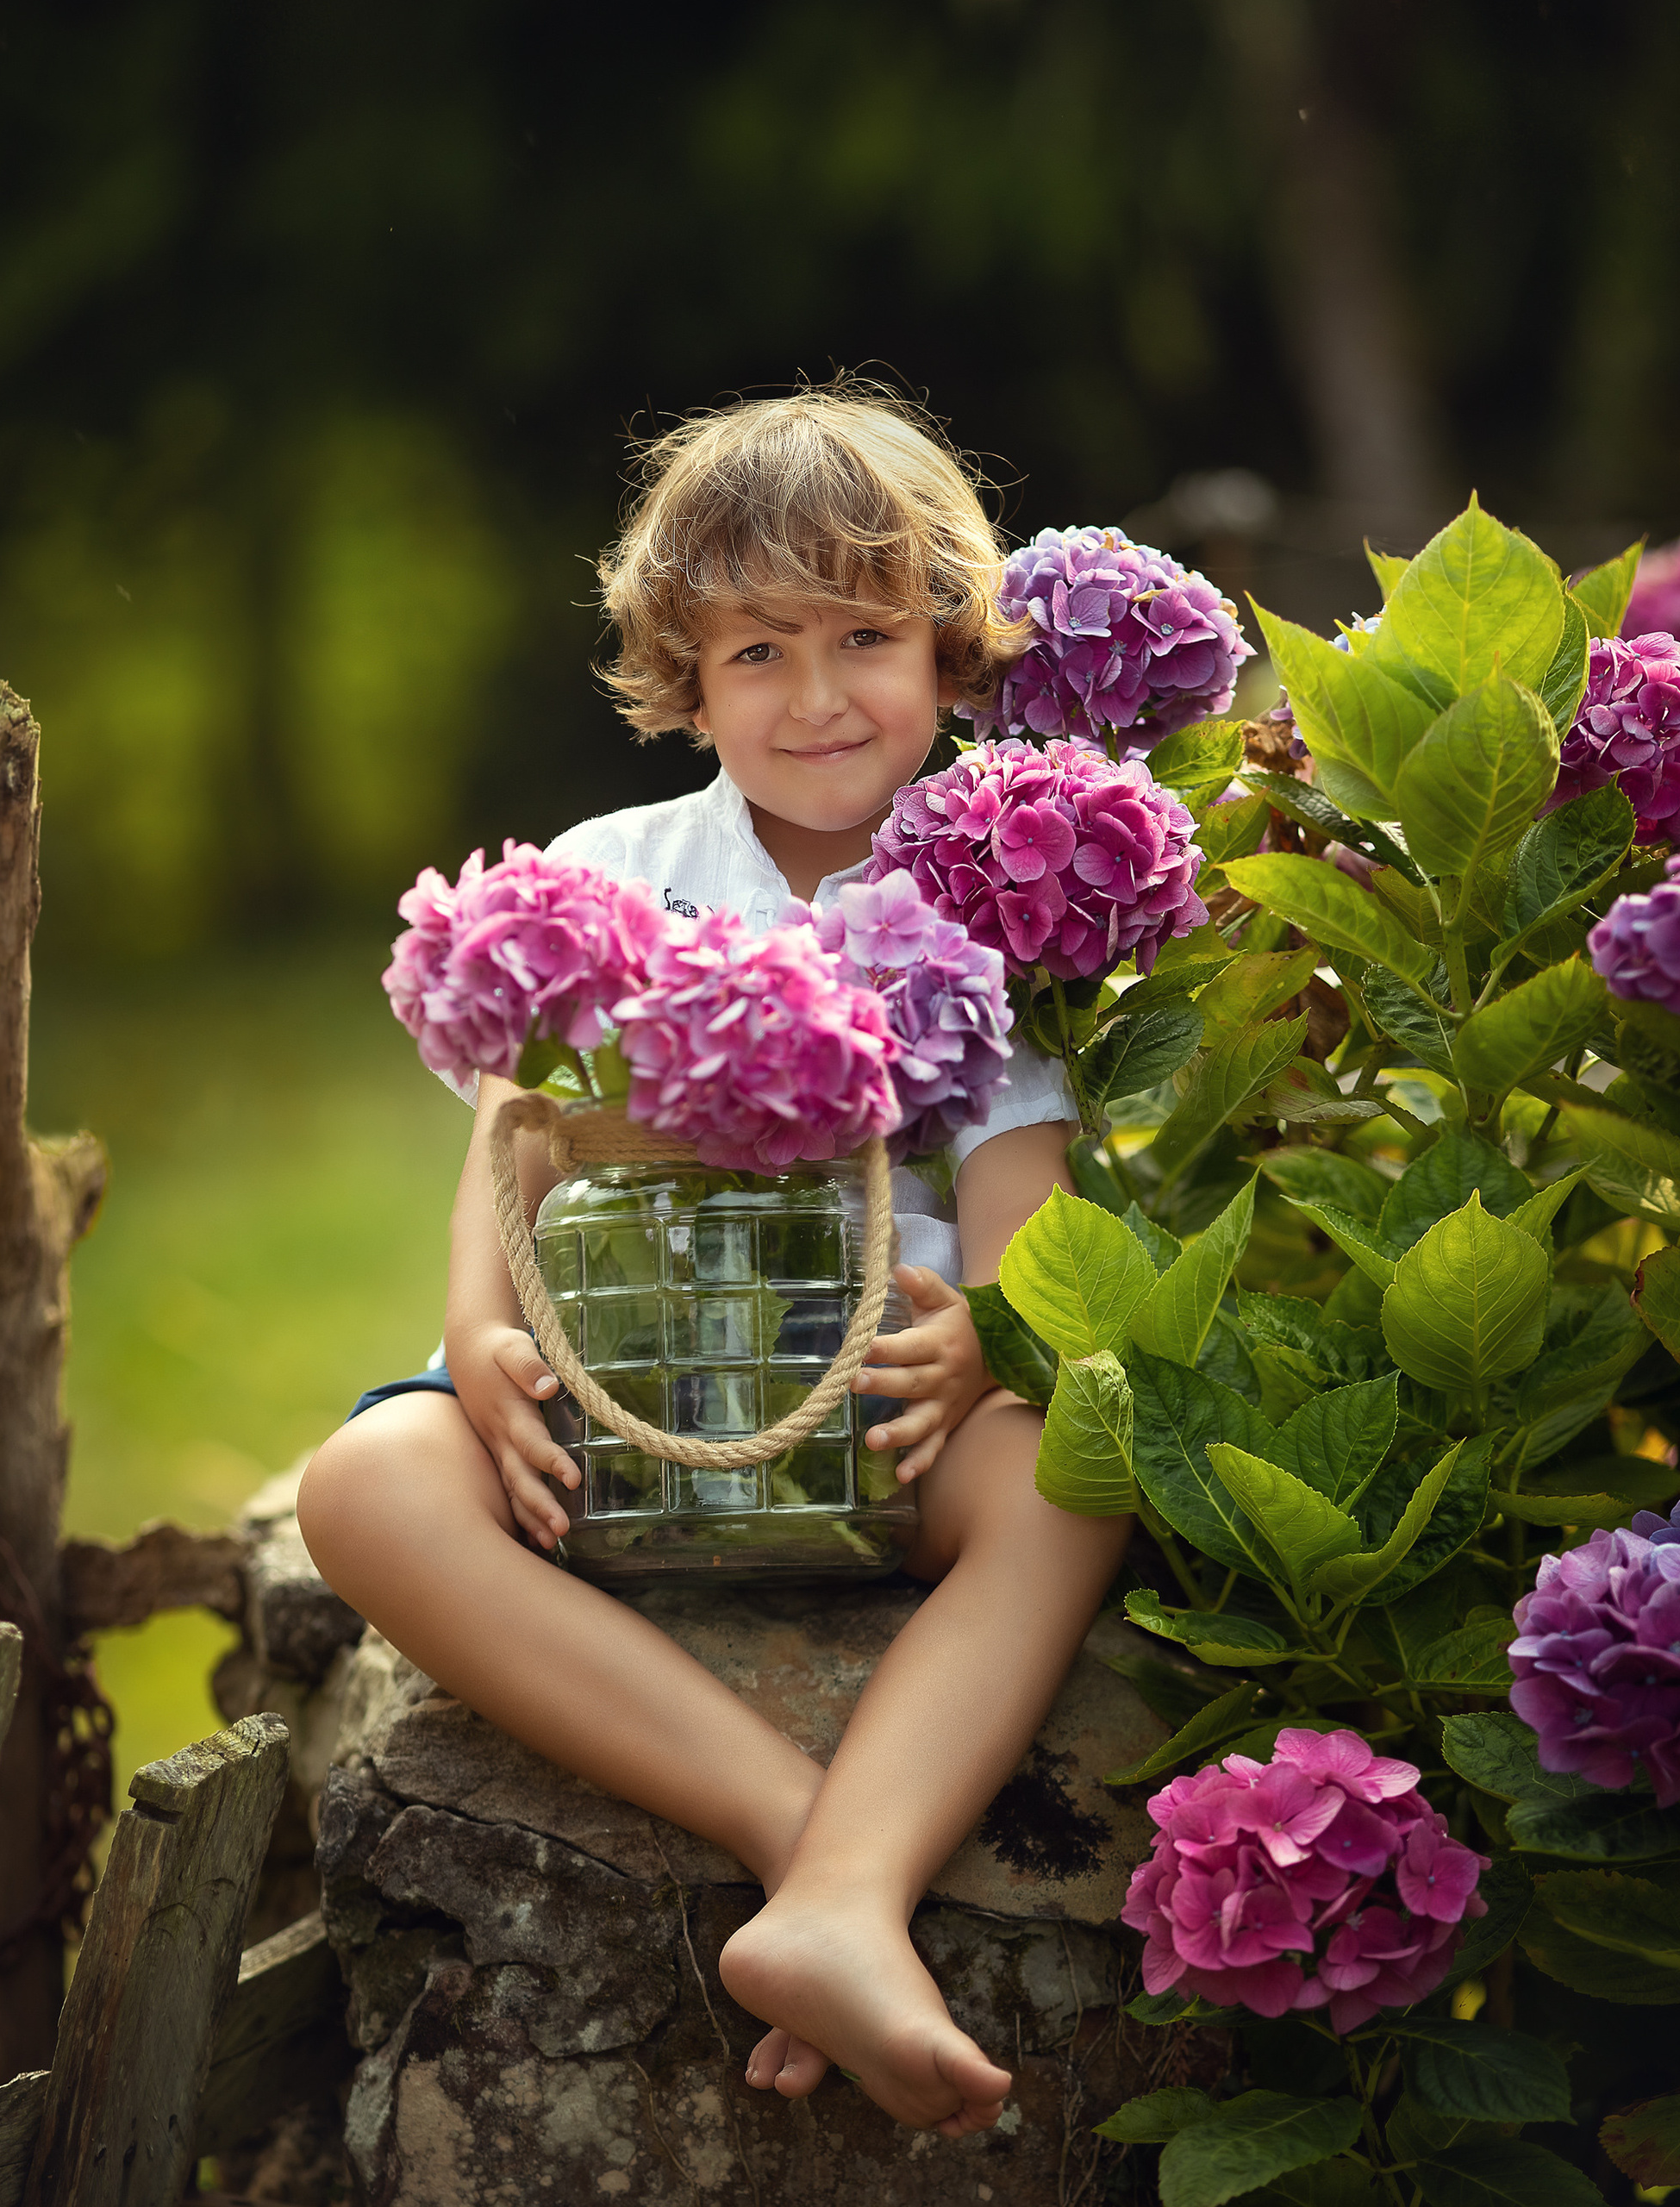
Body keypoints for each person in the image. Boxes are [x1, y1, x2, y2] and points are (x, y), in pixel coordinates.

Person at [297, 384, 1131, 2137]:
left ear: (951, 650)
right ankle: (799, 1845)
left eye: (863, 636)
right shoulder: (616, 873)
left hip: (869, 1419)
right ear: (684, 672)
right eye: (757, 650)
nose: (816, 697)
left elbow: (1022, 1206)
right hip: (626, 1410)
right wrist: (478, 1331)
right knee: (369, 1478)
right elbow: (516, 1147)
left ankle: (842, 1878)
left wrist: (984, 1338)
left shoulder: (995, 878)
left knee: (1067, 1476)